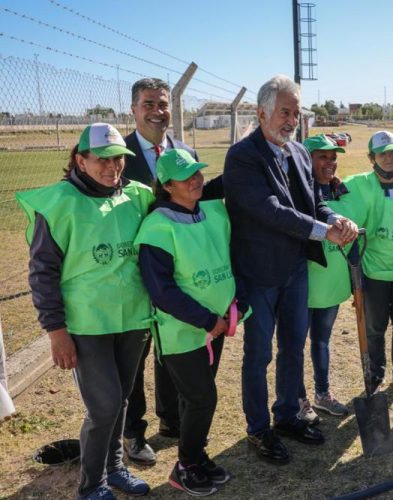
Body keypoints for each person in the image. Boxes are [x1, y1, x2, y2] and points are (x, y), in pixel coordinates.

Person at [223, 75, 357, 465]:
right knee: (259, 353)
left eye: (296, 113)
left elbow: (313, 201)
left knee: (293, 346)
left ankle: (286, 415)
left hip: (296, 270)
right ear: (261, 112)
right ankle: (258, 429)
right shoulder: (243, 156)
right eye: (285, 112)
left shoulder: (298, 152)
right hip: (260, 274)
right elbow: (269, 210)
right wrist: (323, 231)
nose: (291, 120)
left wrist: (337, 218)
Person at [17, 123, 152, 499]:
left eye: (119, 159)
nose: (113, 168)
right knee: (104, 404)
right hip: (86, 324)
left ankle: (115, 468)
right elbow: (42, 273)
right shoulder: (59, 204)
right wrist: (56, 331)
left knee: (122, 398)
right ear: (80, 159)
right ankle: (91, 485)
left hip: (132, 318)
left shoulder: (138, 196)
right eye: (103, 160)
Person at [122, 77, 224, 464]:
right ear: (133, 109)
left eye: (163, 103)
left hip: (175, 271)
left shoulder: (183, 150)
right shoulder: (121, 154)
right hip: (131, 273)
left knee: (173, 347)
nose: (157, 110)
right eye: (148, 103)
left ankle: (171, 419)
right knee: (136, 357)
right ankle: (133, 432)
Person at [135, 149, 245, 496]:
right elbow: (161, 290)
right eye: (187, 177)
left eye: (198, 173)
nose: (197, 180)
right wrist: (206, 319)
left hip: (215, 326)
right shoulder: (157, 226)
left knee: (195, 398)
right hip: (184, 331)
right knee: (202, 398)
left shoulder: (209, 210)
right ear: (167, 186)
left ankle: (196, 456)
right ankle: (184, 466)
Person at [334, 131, 393, 401]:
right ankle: (376, 373)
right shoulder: (361, 184)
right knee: (374, 328)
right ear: (372, 157)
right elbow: (335, 190)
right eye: (383, 153)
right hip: (373, 271)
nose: (390, 157)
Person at [297, 134, 354, 424]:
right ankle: (298, 399)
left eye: (333, 157)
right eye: (323, 156)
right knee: (293, 344)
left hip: (329, 285)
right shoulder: (295, 191)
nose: (330, 162)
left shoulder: (339, 190)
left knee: (321, 340)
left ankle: (322, 394)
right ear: (307, 159)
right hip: (301, 283)